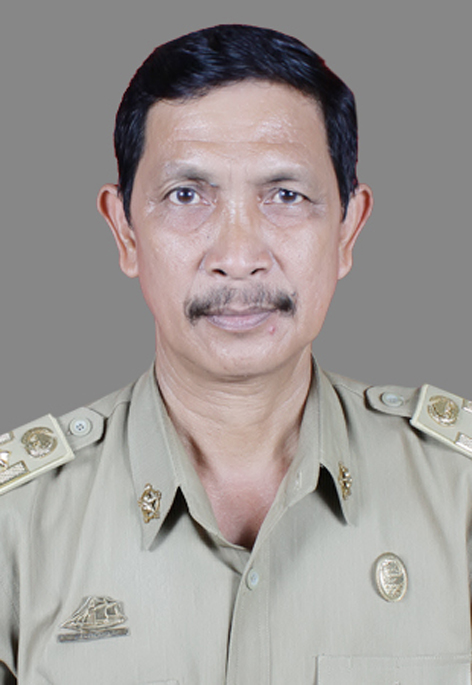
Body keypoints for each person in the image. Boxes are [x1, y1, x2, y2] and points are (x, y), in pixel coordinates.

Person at [1, 24, 471, 684]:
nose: (239, 256)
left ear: (347, 229)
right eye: (186, 195)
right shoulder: (16, 524)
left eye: (286, 195)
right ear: (125, 231)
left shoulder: (459, 496)